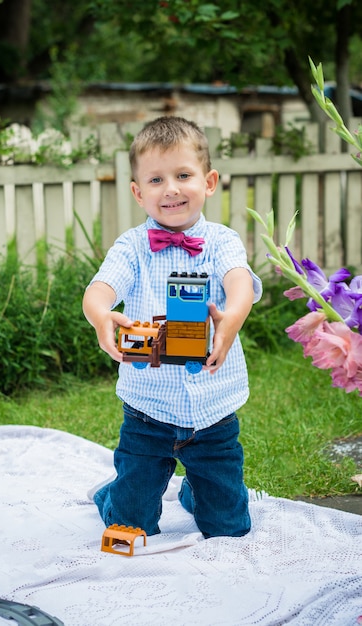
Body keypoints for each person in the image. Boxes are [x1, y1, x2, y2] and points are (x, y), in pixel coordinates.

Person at [82, 116, 262, 538]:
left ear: (210, 180)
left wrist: (231, 318)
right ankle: (116, 497)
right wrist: (100, 316)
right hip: (148, 411)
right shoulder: (132, 246)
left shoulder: (222, 241)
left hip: (214, 412)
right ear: (138, 192)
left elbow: (238, 282)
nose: (172, 189)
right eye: (157, 179)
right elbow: (99, 290)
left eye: (183, 175)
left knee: (229, 529)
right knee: (133, 527)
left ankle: (198, 492)